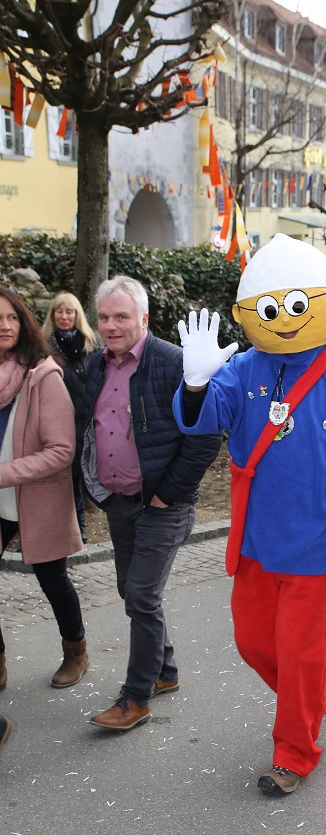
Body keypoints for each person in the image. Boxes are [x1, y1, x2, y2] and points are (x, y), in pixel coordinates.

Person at [174, 235, 326, 796]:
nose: (285, 320)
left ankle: (295, 752)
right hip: (255, 539)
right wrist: (195, 382)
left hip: (318, 547)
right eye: (272, 310)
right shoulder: (245, 366)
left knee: (297, 653)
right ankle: (315, 694)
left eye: (298, 305)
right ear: (251, 314)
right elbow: (202, 420)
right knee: (254, 644)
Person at [81, 275, 222, 731]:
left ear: (144, 318)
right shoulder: (94, 367)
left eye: (121, 316)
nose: (111, 325)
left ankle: (136, 697)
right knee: (131, 591)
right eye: (104, 317)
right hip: (119, 500)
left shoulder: (173, 362)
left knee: (141, 594)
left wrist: (168, 493)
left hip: (164, 504)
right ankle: (165, 671)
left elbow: (203, 439)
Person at [0, 286, 89, 691]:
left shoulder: (43, 374)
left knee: (53, 580)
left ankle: (76, 651)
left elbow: (62, 451)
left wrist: (3, 472)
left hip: (36, 496)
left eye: (12, 317)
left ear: (24, 322)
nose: (4, 326)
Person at [41, 291, 99, 543]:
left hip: (89, 422)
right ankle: (76, 529)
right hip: (59, 423)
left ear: (78, 315)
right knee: (66, 479)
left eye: (70, 311)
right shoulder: (43, 348)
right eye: (59, 311)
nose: (64, 316)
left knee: (89, 474)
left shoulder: (92, 345)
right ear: (52, 315)